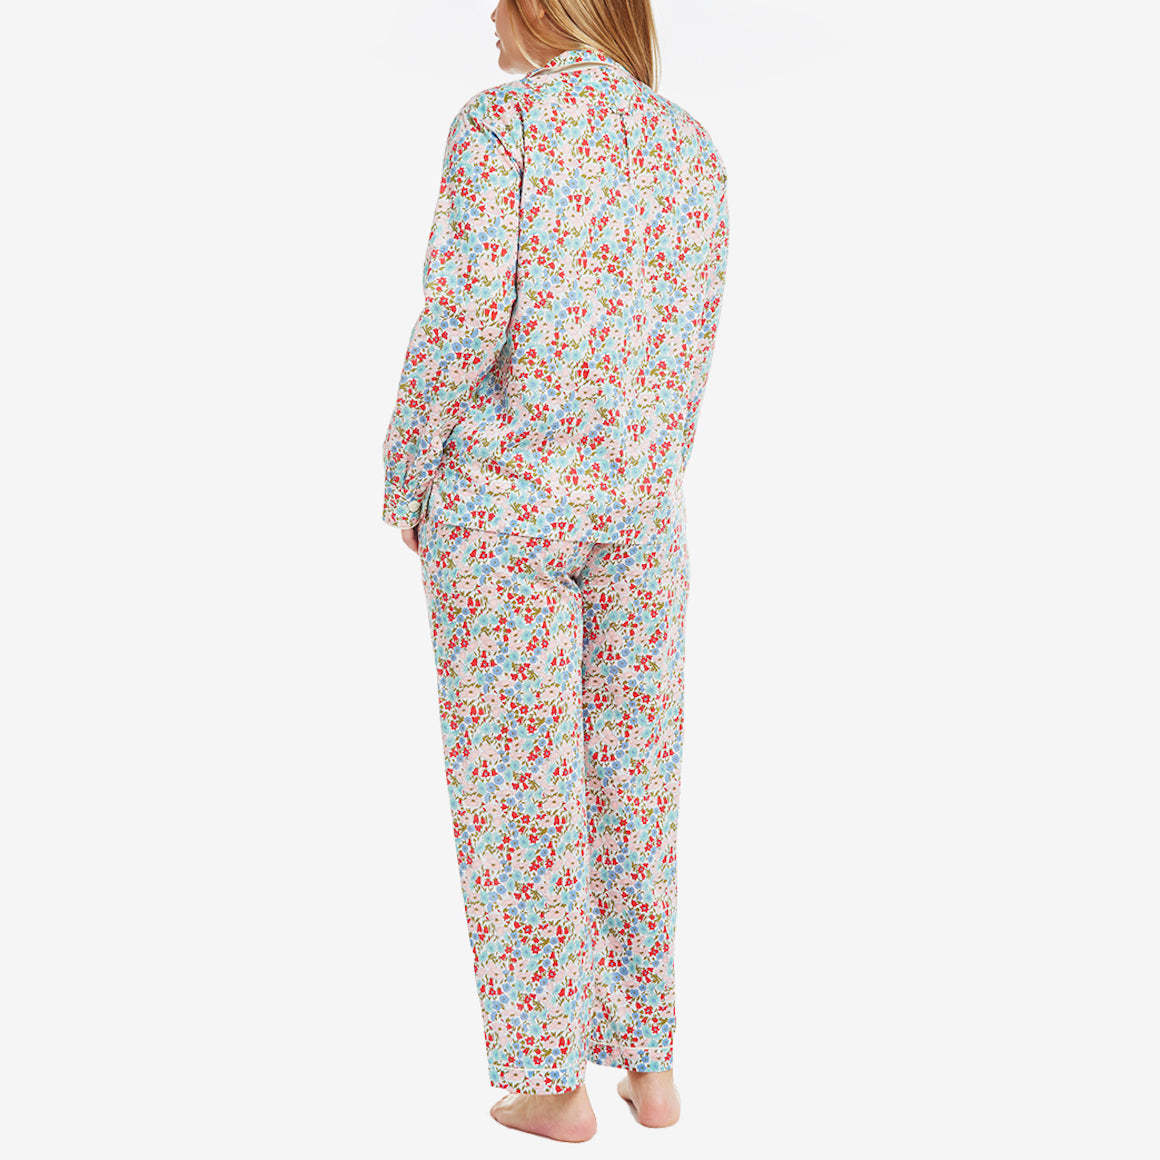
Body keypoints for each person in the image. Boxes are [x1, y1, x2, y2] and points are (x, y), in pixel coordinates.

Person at [380, 0, 729, 1142]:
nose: (489, 15)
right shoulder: (688, 147)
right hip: (642, 515)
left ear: (542, 1)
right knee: (635, 786)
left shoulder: (504, 124)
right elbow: (689, 345)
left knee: (519, 793)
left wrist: (406, 474)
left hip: (507, 508)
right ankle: (649, 1065)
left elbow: (462, 316)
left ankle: (548, 1081)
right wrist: (642, 476)